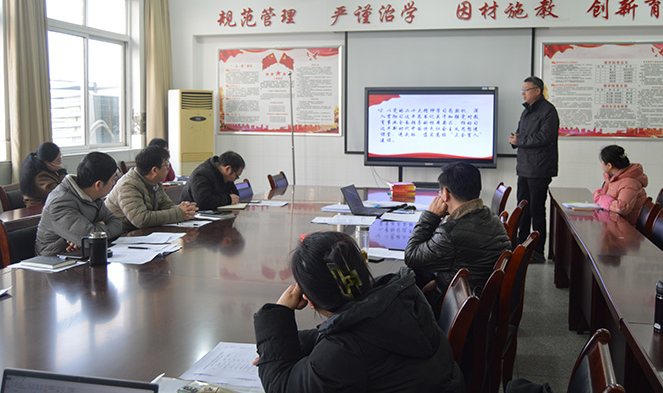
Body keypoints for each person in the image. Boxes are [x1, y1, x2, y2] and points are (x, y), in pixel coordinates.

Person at [254, 231, 466, 393]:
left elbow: (282, 386)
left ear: (309, 299)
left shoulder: (344, 350)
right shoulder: (400, 297)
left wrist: (280, 312)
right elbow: (344, 334)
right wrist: (280, 348)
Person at [404, 162, 511, 302]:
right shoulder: (489, 215)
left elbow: (411, 256)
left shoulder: (450, 233)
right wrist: (438, 280)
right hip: (478, 294)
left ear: (445, 193)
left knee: (405, 278)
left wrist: (431, 216)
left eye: (440, 192)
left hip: (460, 305)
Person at [508, 76, 559, 263]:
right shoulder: (526, 111)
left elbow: (545, 137)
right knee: (522, 208)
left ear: (537, 91)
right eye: (522, 90)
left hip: (540, 168)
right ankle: (521, 246)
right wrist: (515, 139)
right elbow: (522, 133)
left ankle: (537, 251)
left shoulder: (548, 111)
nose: (523, 93)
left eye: (526, 90)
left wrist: (520, 140)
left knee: (537, 210)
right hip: (524, 167)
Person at [35, 152, 123, 256]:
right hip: (54, 257)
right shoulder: (60, 203)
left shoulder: (93, 196)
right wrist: (97, 227)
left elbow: (117, 224)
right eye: (112, 179)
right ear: (98, 185)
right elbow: (89, 240)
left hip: (80, 252)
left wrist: (94, 228)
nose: (113, 183)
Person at [105, 146, 198, 232]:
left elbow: (167, 206)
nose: (168, 168)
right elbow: (141, 219)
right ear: (154, 170)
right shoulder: (128, 185)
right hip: (122, 235)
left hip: (141, 232)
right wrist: (179, 213)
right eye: (166, 165)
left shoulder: (155, 182)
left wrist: (186, 210)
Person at [593, 145, 648, 226]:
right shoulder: (613, 177)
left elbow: (622, 207)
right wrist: (599, 194)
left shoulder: (629, 182)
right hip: (615, 224)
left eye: (602, 162)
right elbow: (609, 196)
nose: (601, 165)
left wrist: (601, 199)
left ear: (609, 165)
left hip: (627, 228)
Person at [179, 151, 244, 210]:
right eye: (236, 176)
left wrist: (228, 199)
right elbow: (203, 201)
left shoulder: (225, 176)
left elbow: (235, 195)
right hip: (192, 215)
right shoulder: (202, 174)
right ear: (228, 169)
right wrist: (228, 199)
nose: (234, 179)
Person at [19, 142, 67, 207]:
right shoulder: (40, 176)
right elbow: (61, 192)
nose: (60, 162)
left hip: (48, 205)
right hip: (39, 208)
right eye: (58, 160)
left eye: (61, 157)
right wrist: (62, 171)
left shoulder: (44, 168)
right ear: (47, 162)